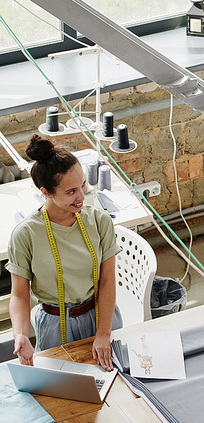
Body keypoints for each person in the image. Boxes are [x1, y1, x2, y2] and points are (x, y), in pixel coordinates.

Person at [6, 134, 122, 370]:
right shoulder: (25, 234)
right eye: (70, 192)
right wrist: (21, 334)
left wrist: (103, 333)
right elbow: (19, 294)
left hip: (102, 316)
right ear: (46, 192)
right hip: (53, 324)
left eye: (83, 185)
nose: (81, 196)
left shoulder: (99, 221)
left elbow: (108, 280)